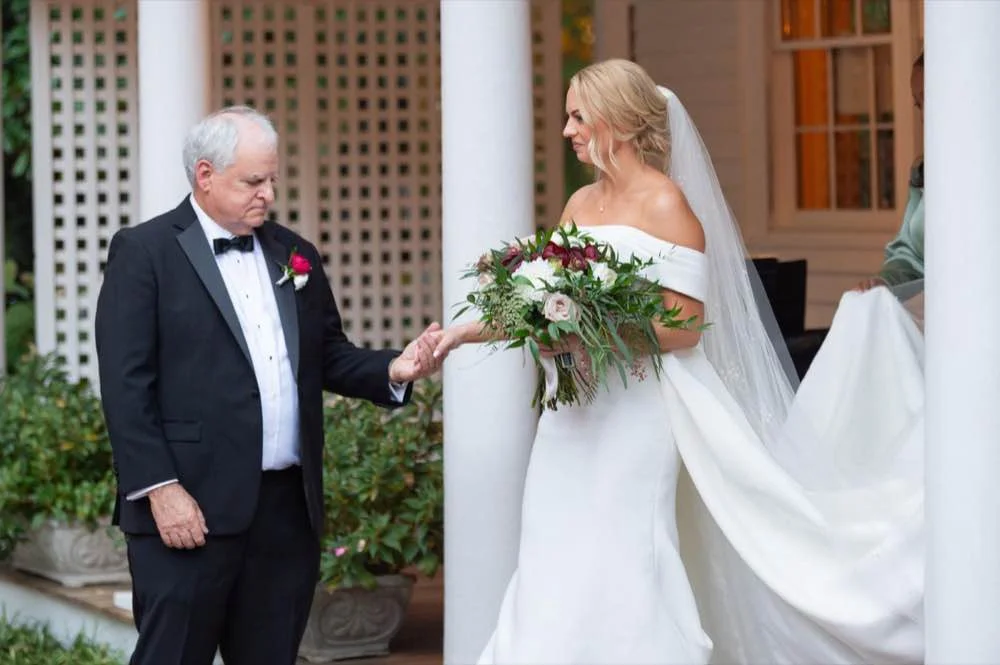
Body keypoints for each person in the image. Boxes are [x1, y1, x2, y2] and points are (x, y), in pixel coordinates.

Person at [434, 60, 924, 664]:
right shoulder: (579, 202)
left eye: (577, 116)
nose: (567, 130)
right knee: (551, 551)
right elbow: (541, 303)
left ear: (615, 120)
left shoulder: (667, 203)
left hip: (637, 417)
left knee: (623, 558)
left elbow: (684, 327)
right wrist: (458, 335)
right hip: (572, 416)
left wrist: (596, 330)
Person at [94, 106, 443, 665]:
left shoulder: (293, 252)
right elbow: (125, 385)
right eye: (254, 181)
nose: (269, 194)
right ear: (205, 175)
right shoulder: (144, 252)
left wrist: (393, 370)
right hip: (187, 509)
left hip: (284, 514)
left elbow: (326, 354)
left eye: (273, 179)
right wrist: (161, 490)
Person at [857, 52, 925, 291]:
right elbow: (910, 257)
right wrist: (884, 282)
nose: (924, 115)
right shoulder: (924, 172)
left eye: (930, 99)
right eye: (919, 104)